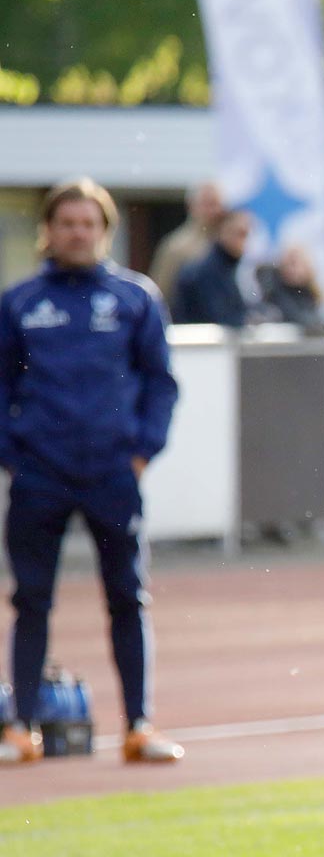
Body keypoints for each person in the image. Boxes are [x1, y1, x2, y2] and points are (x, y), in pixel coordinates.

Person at [0, 178, 183, 766]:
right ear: (49, 231)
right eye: (68, 223)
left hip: (111, 471)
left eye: (89, 224)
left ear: (105, 231)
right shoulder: (22, 303)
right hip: (40, 473)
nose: (78, 233)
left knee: (127, 598)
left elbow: (161, 382)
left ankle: (138, 724)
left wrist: (142, 450)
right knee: (32, 600)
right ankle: (19, 727)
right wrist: (13, 454)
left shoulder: (135, 299)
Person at [171, 208, 252, 327]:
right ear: (223, 231)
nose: (243, 241)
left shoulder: (231, 268)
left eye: (246, 234)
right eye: (240, 233)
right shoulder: (205, 271)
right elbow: (218, 317)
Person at [149, 181, 225, 302]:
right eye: (208, 204)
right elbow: (160, 294)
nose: (214, 211)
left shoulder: (229, 244)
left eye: (217, 205)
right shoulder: (176, 247)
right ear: (192, 206)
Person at [253, 244, 324, 332]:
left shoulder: (310, 294)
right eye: (290, 262)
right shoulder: (272, 289)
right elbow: (294, 316)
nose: (292, 269)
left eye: (295, 263)